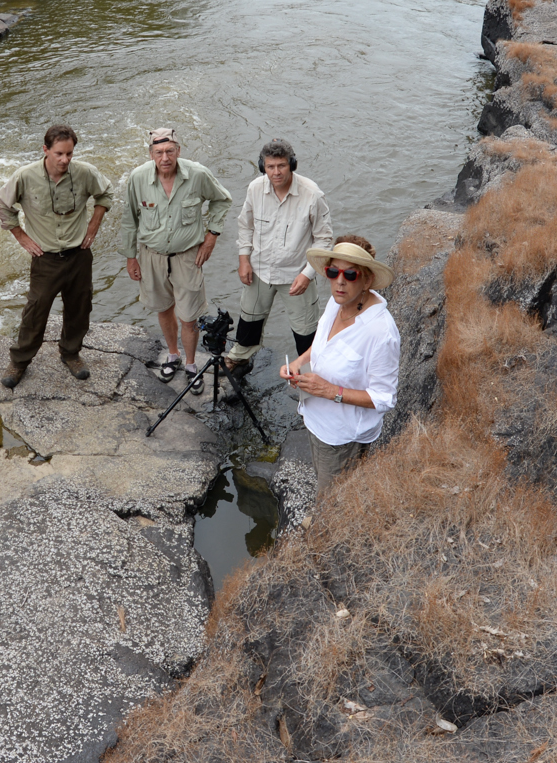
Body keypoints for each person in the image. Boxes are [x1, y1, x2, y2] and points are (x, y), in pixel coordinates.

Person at [279, 236, 401, 495]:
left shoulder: (380, 333)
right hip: (315, 419)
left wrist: (328, 391)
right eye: (333, 272)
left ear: (367, 280)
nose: (340, 281)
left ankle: (322, 532)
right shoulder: (338, 301)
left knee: (332, 503)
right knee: (323, 484)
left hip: (342, 437)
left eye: (350, 274)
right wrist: (299, 363)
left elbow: (384, 398)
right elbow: (322, 343)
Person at [0, 125, 112, 388]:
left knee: (80, 308)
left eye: (69, 154)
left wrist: (94, 224)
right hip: (45, 258)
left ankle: (71, 354)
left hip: (79, 254)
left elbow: (105, 194)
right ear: (45, 150)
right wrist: (20, 236)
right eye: (59, 153)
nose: (65, 160)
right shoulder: (25, 176)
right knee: (36, 310)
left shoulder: (85, 172)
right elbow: (1, 202)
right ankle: (19, 361)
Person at [118, 127, 232, 391]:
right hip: (151, 256)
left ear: (178, 151)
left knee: (189, 317)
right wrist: (130, 258)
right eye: (158, 152)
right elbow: (129, 220)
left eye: (170, 151)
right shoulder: (138, 178)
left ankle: (191, 364)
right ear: (151, 154)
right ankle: (173, 355)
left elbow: (222, 201)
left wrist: (212, 235)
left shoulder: (198, 174)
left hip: (187, 256)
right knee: (163, 308)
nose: (165, 157)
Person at [225, 138, 332, 379]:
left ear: (292, 164)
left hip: (296, 274)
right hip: (259, 270)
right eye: (270, 166)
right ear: (263, 166)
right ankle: (240, 357)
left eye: (281, 166)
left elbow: (324, 240)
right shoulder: (255, 188)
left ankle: (308, 374)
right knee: (248, 319)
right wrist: (244, 259)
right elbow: (245, 226)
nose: (276, 172)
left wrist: (307, 275)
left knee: (306, 331)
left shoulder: (313, 194)